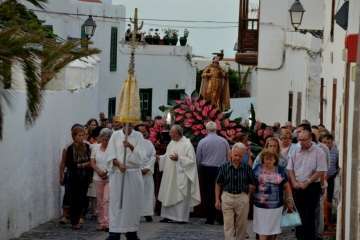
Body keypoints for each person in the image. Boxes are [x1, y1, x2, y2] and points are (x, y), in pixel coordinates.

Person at [105, 124, 145, 240]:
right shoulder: (115, 136)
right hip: (118, 175)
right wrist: (118, 164)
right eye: (126, 125)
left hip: (133, 175)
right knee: (117, 203)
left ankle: (131, 231)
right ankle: (114, 232)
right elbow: (110, 154)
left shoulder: (138, 136)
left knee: (132, 204)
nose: (128, 128)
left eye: (130, 126)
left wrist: (131, 146)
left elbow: (141, 156)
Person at [287, 127, 327, 240]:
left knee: (309, 216)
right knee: (299, 215)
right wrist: (294, 182)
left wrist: (308, 182)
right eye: (300, 140)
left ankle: (310, 237)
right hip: (297, 185)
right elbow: (290, 168)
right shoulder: (295, 149)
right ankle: (299, 237)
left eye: (304, 140)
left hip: (312, 187)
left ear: (310, 138)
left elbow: (321, 170)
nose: (301, 142)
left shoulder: (319, 151)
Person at [158, 125, 201, 223]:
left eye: (171, 132)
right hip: (170, 175)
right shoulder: (171, 143)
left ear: (178, 133)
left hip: (181, 175)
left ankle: (180, 217)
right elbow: (167, 155)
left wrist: (179, 159)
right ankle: (167, 216)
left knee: (180, 194)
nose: (169, 134)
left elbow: (191, 161)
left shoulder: (187, 144)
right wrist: (160, 158)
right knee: (168, 192)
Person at [215, 143, 256, 240]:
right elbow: (218, 183)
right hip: (227, 196)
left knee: (241, 225)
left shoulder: (247, 168)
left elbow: (253, 184)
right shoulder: (224, 167)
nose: (237, 158)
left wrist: (248, 196)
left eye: (240, 156)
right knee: (228, 225)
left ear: (243, 156)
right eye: (235, 155)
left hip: (242, 197)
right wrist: (217, 199)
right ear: (231, 154)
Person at [253, 149, 294, 240]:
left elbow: (287, 186)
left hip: (276, 206)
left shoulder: (280, 170)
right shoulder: (257, 169)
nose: (268, 161)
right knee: (262, 231)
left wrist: (289, 199)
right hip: (260, 206)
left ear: (275, 160)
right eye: (266, 159)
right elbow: (252, 185)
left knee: (273, 231)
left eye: (271, 159)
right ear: (263, 159)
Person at [196, 121, 230, 224]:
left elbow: (198, 158)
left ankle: (210, 218)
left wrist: (198, 169)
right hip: (221, 168)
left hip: (206, 169)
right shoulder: (224, 141)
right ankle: (220, 218)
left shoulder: (202, 142)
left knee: (208, 194)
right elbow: (228, 157)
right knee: (221, 193)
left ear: (206, 130)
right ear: (216, 129)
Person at [64, 125, 93, 230]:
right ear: (74, 136)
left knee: (82, 198)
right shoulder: (70, 148)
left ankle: (79, 217)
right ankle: (74, 221)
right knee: (74, 199)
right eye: (79, 135)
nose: (81, 137)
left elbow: (91, 160)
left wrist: (88, 171)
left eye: (83, 135)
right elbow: (69, 164)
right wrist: (84, 164)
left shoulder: (87, 147)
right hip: (74, 177)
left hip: (84, 176)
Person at [90, 128, 113, 231]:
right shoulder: (95, 148)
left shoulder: (113, 149)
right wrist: (99, 171)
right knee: (99, 201)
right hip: (97, 177)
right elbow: (92, 162)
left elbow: (114, 162)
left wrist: (107, 172)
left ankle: (108, 222)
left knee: (106, 200)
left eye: (107, 139)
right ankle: (101, 222)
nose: (105, 141)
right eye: (103, 139)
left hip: (109, 177)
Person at [136, 124, 156, 222]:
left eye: (144, 131)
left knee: (148, 193)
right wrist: (139, 169)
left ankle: (147, 213)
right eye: (140, 131)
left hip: (147, 172)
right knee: (137, 193)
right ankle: (136, 213)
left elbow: (153, 156)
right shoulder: (133, 143)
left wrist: (147, 168)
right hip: (136, 172)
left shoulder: (149, 143)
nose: (142, 134)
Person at [320, 133, 339, 229]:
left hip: (330, 178)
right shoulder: (319, 151)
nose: (327, 144)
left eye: (329, 142)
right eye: (324, 142)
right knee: (321, 200)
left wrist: (331, 175)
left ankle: (328, 221)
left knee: (329, 200)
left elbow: (337, 166)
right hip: (320, 178)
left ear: (332, 143)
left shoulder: (336, 151)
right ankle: (323, 220)